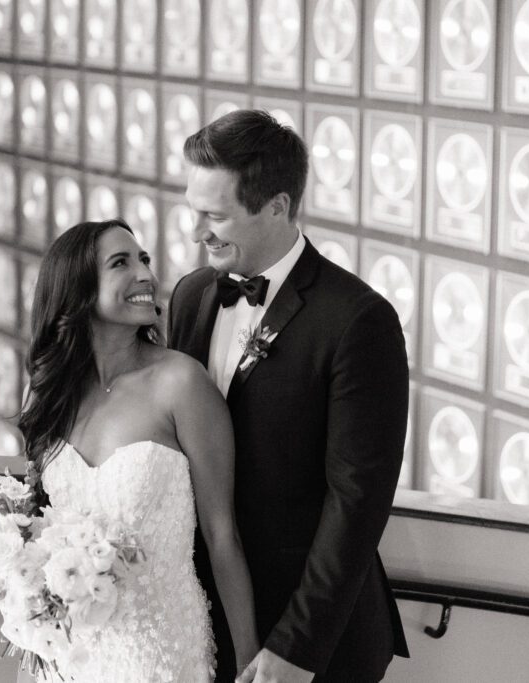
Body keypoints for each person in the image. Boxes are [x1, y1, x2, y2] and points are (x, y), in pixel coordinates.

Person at [169, 110, 410, 683]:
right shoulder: (190, 295)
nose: (196, 230)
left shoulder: (358, 321)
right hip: (202, 621)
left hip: (308, 645)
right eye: (193, 209)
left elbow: (356, 503)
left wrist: (296, 650)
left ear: (277, 206)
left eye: (215, 215)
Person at [17, 219, 259, 682]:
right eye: (121, 263)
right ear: (78, 288)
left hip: (160, 653)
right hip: (71, 660)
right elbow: (42, 531)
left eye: (144, 259)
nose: (145, 274)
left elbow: (222, 533)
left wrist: (249, 663)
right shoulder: (51, 396)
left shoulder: (181, 384)